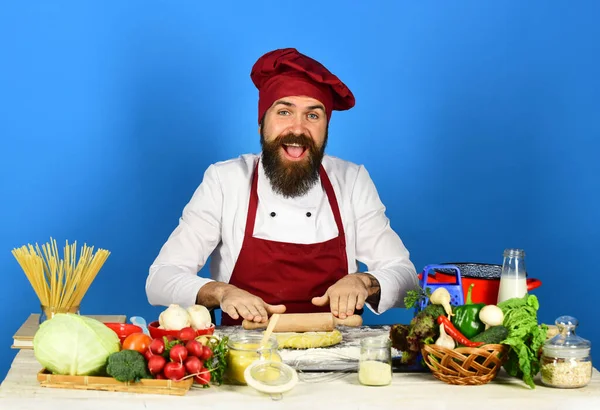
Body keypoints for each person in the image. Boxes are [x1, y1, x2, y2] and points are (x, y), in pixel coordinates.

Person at [146, 47, 419, 326]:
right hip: (245, 358)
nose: (298, 129)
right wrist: (221, 292)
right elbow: (160, 279)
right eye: (284, 112)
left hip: (339, 354)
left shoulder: (351, 180)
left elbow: (407, 280)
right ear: (261, 123)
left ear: (326, 128)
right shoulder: (225, 180)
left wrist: (364, 282)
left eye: (313, 116)